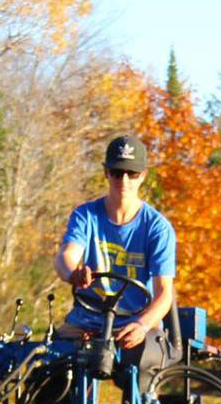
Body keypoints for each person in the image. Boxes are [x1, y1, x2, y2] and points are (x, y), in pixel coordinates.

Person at [51, 135, 178, 386]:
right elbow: (66, 257)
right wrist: (72, 273)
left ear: (142, 175)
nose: (124, 180)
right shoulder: (86, 216)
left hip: (135, 323)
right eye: (117, 173)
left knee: (144, 365)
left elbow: (164, 295)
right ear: (106, 173)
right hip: (86, 321)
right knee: (53, 368)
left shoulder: (158, 228)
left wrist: (142, 326)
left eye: (131, 174)